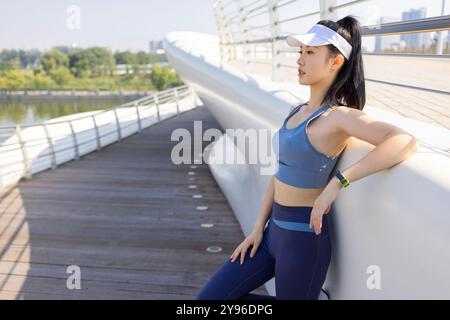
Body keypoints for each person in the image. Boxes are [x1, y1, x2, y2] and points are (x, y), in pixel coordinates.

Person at [196, 15, 418, 300]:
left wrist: (338, 183)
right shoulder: (296, 110)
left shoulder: (338, 116)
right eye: (300, 52)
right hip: (271, 233)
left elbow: (403, 140)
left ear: (335, 62)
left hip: (303, 240)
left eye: (310, 52)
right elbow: (280, 175)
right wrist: (256, 229)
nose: (300, 59)